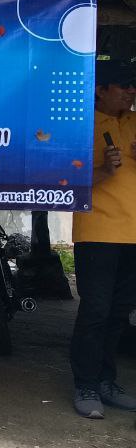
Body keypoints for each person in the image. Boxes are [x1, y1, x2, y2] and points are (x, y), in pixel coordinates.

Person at [69, 55, 136, 420]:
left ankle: (108, 382)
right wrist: (104, 170)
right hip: (98, 232)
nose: (131, 91)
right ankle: (86, 385)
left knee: (119, 313)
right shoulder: (83, 125)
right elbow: (68, 184)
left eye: (132, 85)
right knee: (95, 310)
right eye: (123, 85)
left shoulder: (135, 121)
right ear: (100, 90)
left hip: (134, 234)